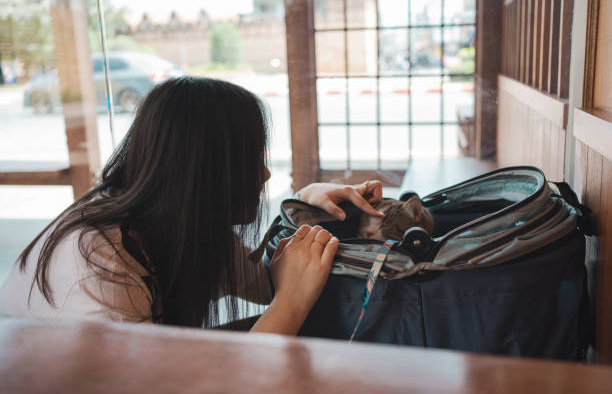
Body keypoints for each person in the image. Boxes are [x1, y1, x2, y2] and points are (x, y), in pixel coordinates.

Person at [0, 77, 384, 334]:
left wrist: (306, 206)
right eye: (251, 158)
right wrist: (293, 301)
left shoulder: (174, 221)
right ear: (203, 169)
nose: (265, 175)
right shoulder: (99, 269)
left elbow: (264, 282)